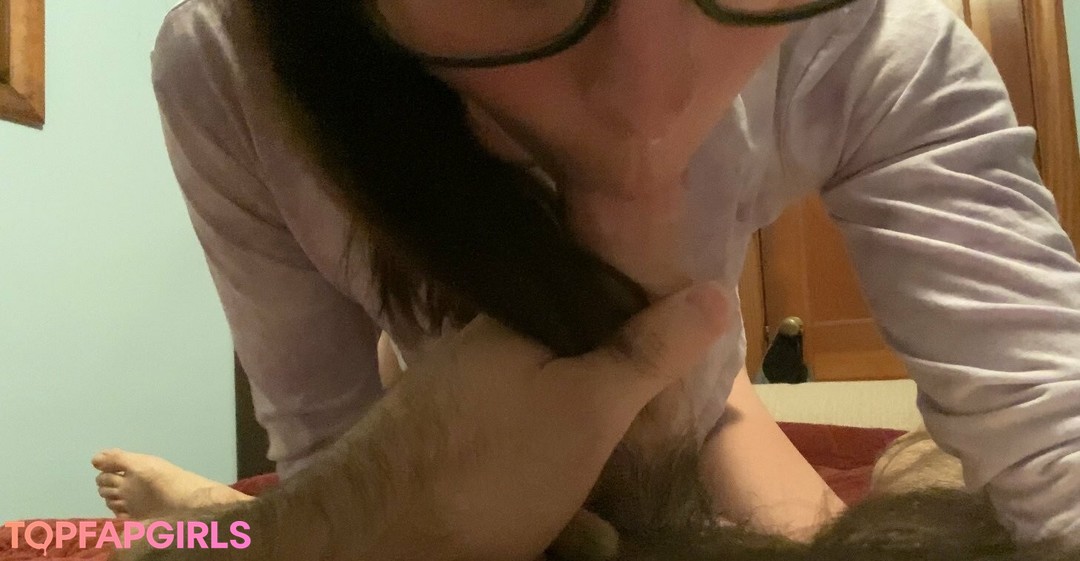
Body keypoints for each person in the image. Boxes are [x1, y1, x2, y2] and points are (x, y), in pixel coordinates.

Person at [96, 0, 1080, 549]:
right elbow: (332, 461)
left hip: (701, 391)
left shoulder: (867, 38)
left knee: (807, 515)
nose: (649, 109)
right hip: (432, 388)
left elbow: (1056, 442)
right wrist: (369, 482)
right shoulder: (232, 70)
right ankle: (207, 519)